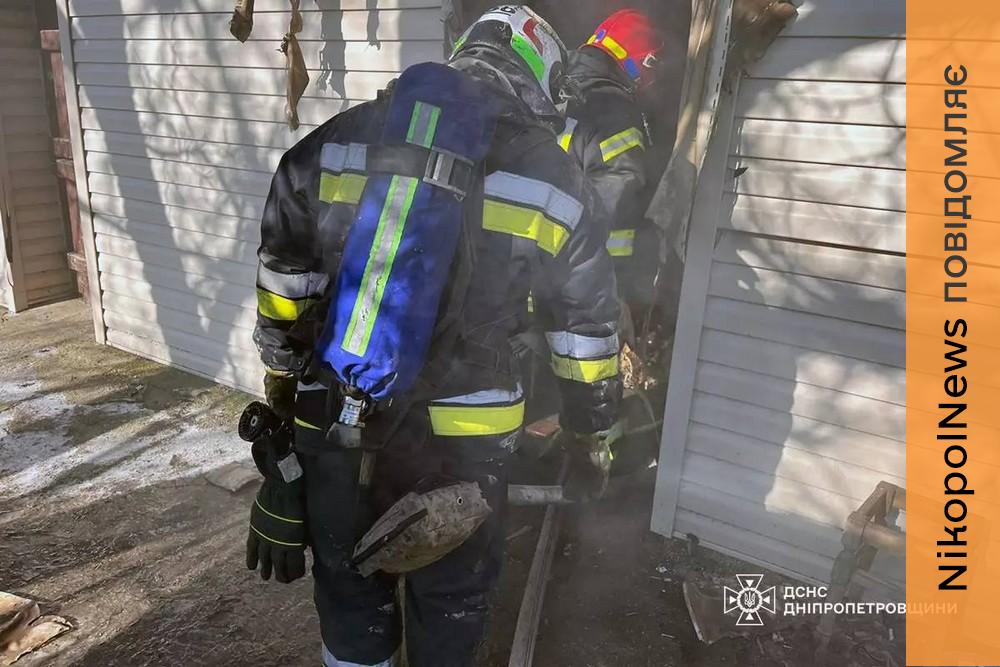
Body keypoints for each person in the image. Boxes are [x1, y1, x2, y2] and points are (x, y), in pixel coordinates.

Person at [247, 6, 623, 667]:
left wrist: (283, 387)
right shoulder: (557, 182)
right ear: (539, 81)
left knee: (350, 597)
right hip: (465, 451)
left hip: (337, 422)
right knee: (450, 606)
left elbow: (284, 284)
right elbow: (584, 335)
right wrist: (592, 436)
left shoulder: (332, 144)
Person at [558, 9, 665, 327]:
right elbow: (617, 197)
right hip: (586, 284)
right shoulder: (614, 111)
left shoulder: (552, 90)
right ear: (643, 62)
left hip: (527, 268)